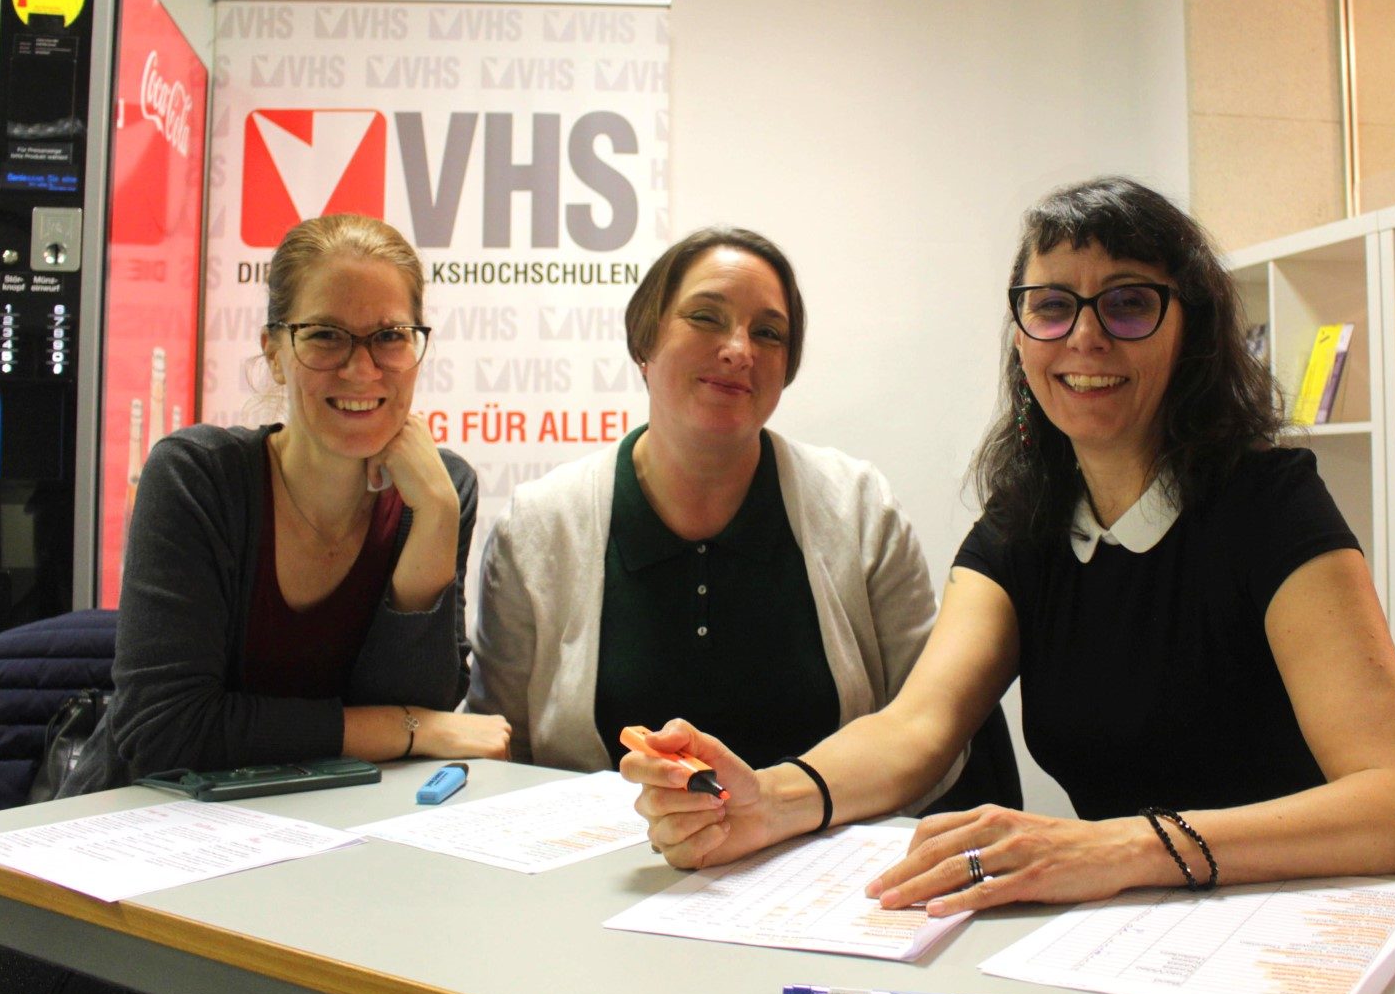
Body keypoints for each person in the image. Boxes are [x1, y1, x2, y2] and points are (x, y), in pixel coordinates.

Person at [623, 178, 1395, 915]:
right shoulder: (1025, 524)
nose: (1085, 337)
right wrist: (769, 800)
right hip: (1131, 932)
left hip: (1300, 922)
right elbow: (915, 728)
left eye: (1129, 304)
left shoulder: (1270, 506)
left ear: (1189, 331)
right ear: (1022, 336)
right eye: (1052, 306)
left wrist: (1118, 848)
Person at [469, 226, 944, 786]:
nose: (740, 350)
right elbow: (498, 754)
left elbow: (934, 739)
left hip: (823, 840)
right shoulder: (538, 526)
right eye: (705, 317)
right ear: (643, 342)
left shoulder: (862, 511)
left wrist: (781, 805)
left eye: (768, 333)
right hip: (602, 846)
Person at [63, 214, 510, 796]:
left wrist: (439, 516)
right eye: (325, 335)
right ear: (274, 352)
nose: (361, 368)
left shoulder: (440, 490)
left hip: (332, 824)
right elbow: (164, 733)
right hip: (148, 824)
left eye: (390, 336)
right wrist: (406, 729)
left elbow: (422, 701)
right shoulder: (197, 478)